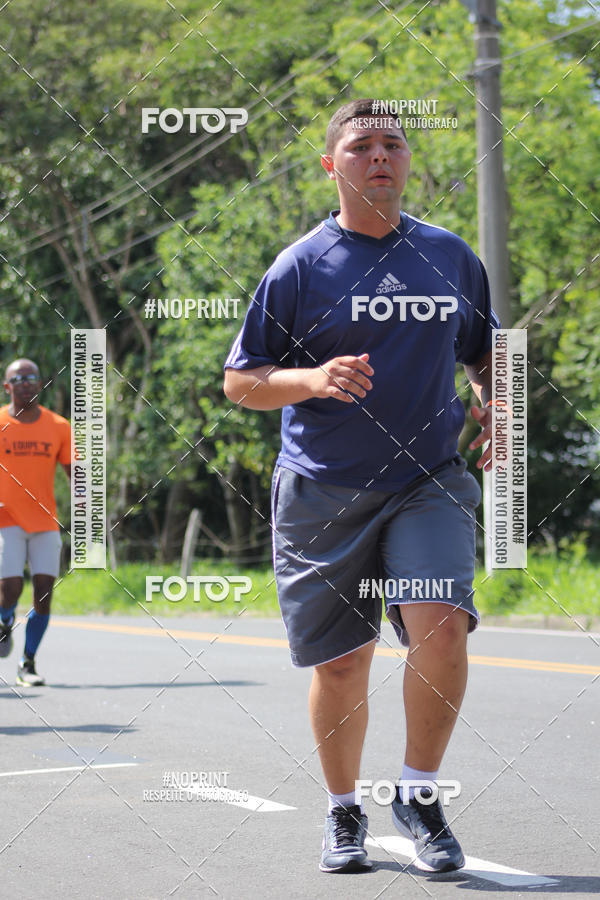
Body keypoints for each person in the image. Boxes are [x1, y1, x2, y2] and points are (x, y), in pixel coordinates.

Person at [223, 98, 499, 875]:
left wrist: (500, 402)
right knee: (344, 662)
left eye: (393, 144)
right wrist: (313, 378)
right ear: (331, 166)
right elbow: (240, 382)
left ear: (408, 162)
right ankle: (344, 809)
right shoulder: (300, 266)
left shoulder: (449, 257)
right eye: (361, 145)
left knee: (441, 627)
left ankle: (418, 794)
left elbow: (488, 353)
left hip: (427, 479)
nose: (380, 155)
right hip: (323, 488)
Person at [0, 358, 71, 686]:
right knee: (10, 587)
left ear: (40, 384)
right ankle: (4, 620)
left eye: (31, 377)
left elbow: (74, 472)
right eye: (18, 378)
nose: (26, 383)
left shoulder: (58, 426)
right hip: (6, 518)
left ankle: (27, 663)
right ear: (7, 386)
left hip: (45, 521)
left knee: (44, 592)